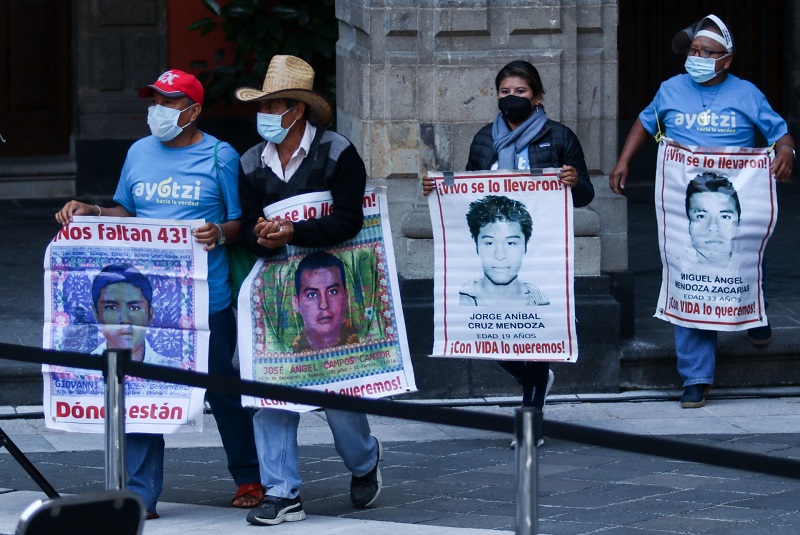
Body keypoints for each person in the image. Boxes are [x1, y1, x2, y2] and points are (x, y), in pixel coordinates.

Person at [54, 69, 262, 517]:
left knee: (222, 393)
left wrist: (218, 233)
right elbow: (126, 210)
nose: (159, 110)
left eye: (169, 103)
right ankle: (140, 495)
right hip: (147, 303)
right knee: (143, 391)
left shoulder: (220, 157)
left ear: (193, 111)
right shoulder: (139, 152)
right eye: (156, 101)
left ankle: (249, 476)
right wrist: (91, 210)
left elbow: (239, 222)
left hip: (208, 298)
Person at [608, 14, 795, 408]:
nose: (697, 56)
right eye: (693, 50)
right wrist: (624, 160)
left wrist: (786, 152)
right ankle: (695, 376)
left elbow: (780, 133)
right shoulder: (671, 89)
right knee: (689, 276)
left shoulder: (747, 94)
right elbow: (645, 123)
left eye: (706, 52)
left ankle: (752, 313)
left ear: (726, 60)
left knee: (739, 263)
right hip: (684, 199)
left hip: (736, 195)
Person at [235, 55, 381, 526]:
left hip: (330, 286)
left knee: (338, 393)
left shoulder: (339, 153)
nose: (265, 115)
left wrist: (292, 233)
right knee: (267, 391)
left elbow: (348, 220)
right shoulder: (251, 161)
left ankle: (364, 461)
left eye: (272, 105)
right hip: (278, 288)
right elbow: (251, 229)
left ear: (296, 110)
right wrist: (264, 237)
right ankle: (282, 493)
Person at [423, 59, 594, 421]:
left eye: (520, 91)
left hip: (538, 251)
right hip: (494, 253)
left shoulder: (559, 137)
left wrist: (573, 181)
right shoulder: (485, 138)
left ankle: (531, 414)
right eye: (505, 92)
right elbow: (469, 192)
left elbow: (585, 196)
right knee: (489, 330)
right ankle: (538, 379)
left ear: (537, 96)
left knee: (536, 330)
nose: (512, 97)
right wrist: (436, 190)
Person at [460, 195, 550, 307]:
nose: (500, 255)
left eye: (511, 243)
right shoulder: (456, 298)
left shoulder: (542, 301)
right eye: (489, 243)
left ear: (525, 246)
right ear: (477, 246)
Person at [90, 264, 172, 367]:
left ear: (150, 314)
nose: (124, 319)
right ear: (96, 314)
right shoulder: (80, 370)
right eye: (111, 307)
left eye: (134, 308)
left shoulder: (174, 372)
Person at [291, 251, 359, 352]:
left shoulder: (362, 340)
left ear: (346, 296)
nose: (324, 305)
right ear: (296, 303)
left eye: (332, 292)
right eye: (312, 295)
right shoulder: (292, 351)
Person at [683, 172, 741, 271]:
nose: (713, 228)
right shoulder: (677, 266)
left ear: (739, 224)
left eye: (725, 217)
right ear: (688, 224)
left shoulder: (749, 269)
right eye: (701, 216)